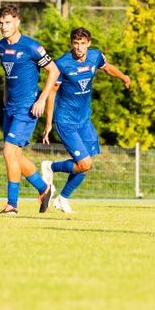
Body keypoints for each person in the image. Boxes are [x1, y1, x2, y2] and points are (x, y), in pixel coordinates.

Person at [41, 27, 131, 214]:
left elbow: (108, 68)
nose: (79, 47)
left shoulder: (95, 56)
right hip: (66, 121)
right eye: (75, 43)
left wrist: (123, 77)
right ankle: (50, 166)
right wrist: (48, 123)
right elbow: (51, 92)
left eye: (82, 43)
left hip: (84, 120)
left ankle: (62, 198)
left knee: (86, 164)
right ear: (71, 44)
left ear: (88, 43)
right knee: (85, 163)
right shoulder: (62, 64)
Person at [0, 4, 59, 215]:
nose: (4, 27)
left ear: (17, 22)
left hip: (27, 108)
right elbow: (8, 75)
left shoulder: (32, 47)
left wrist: (41, 100)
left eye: (8, 22)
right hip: (10, 107)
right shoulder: (1, 46)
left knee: (8, 151)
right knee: (15, 156)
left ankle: (12, 204)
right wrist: (5, 96)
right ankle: (44, 188)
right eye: (1, 23)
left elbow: (54, 71)